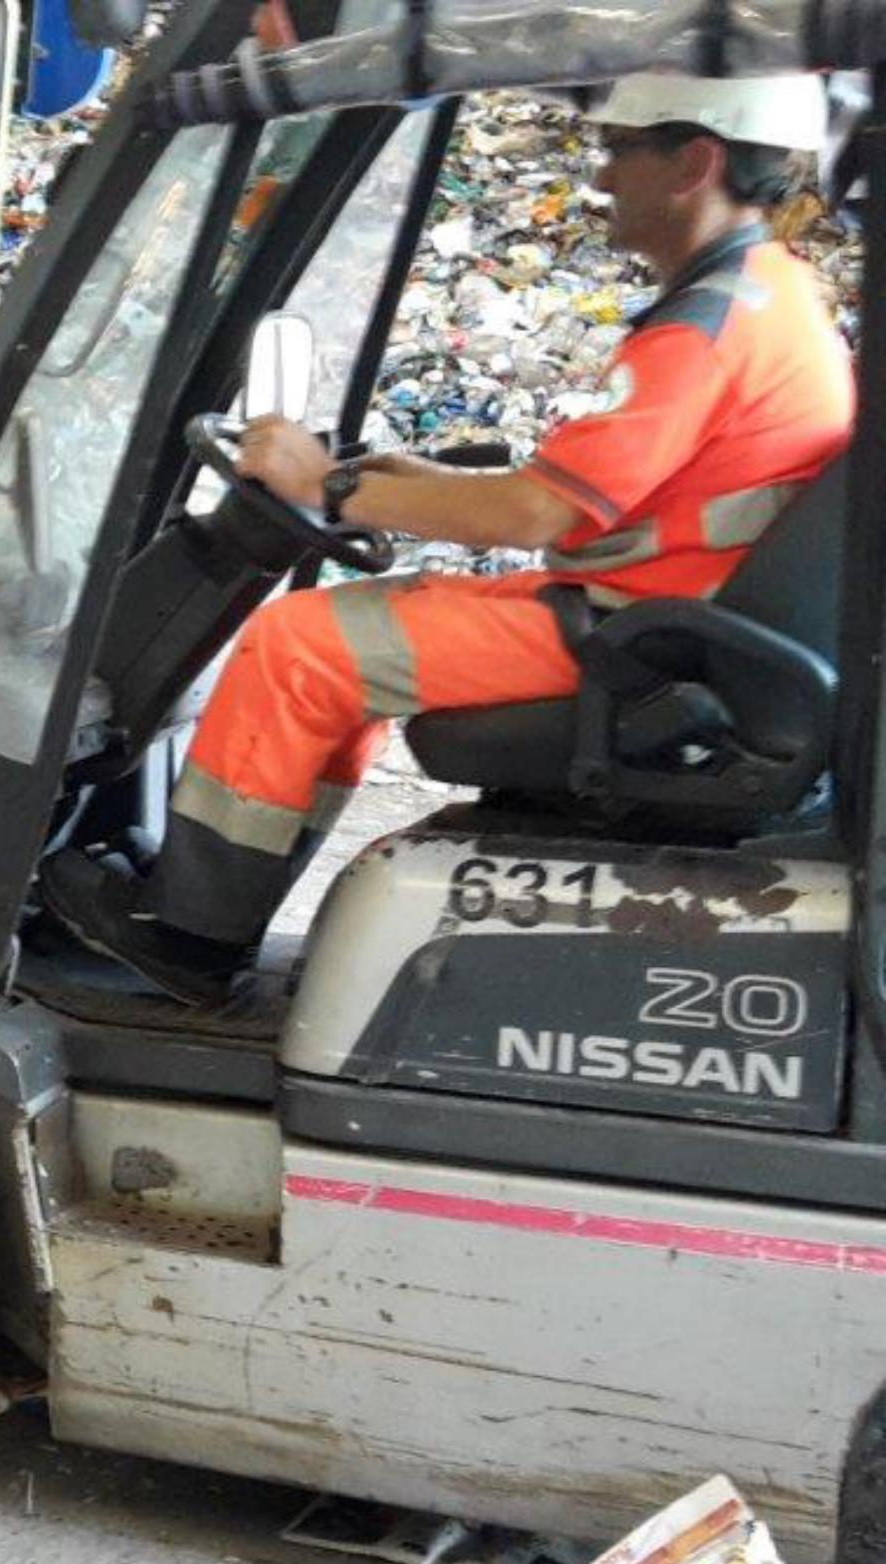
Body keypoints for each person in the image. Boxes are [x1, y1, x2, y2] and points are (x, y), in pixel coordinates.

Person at [43, 71, 854, 1005]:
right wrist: (393, 484)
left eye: (619, 151)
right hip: (670, 616)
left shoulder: (700, 334)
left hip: (644, 638)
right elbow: (579, 495)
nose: (598, 181)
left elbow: (536, 517)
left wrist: (330, 485)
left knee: (298, 647)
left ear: (694, 161)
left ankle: (187, 934)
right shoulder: (767, 295)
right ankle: (217, 901)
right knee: (352, 655)